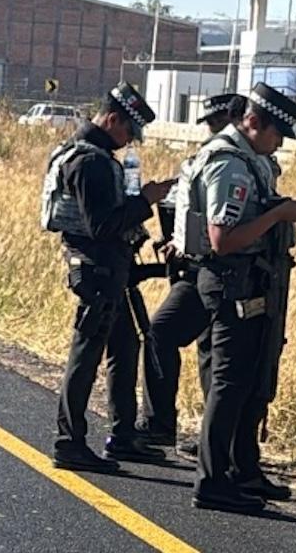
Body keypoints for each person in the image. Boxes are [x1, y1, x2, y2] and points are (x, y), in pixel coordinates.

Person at [182, 83, 296, 513]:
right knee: (228, 382)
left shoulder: (251, 158)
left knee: (246, 378)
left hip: (248, 281)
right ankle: (212, 481)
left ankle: (242, 470)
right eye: (276, 134)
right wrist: (279, 215)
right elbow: (222, 239)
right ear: (253, 123)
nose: (279, 143)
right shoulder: (229, 164)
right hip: (229, 281)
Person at [43, 82, 175, 473]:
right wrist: (146, 201)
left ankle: (122, 435)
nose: (130, 140)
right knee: (85, 356)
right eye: (129, 131)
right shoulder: (91, 162)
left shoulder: (93, 154)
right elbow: (101, 226)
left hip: (107, 269)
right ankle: (69, 441)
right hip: (97, 268)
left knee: (125, 348)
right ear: (113, 119)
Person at [134, 93, 246, 449]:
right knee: (202, 348)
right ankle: (192, 432)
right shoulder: (220, 158)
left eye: (216, 123)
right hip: (202, 267)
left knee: (180, 341)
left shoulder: (232, 162)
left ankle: (180, 431)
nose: (211, 131)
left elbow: (224, 223)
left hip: (216, 270)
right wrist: (178, 244)